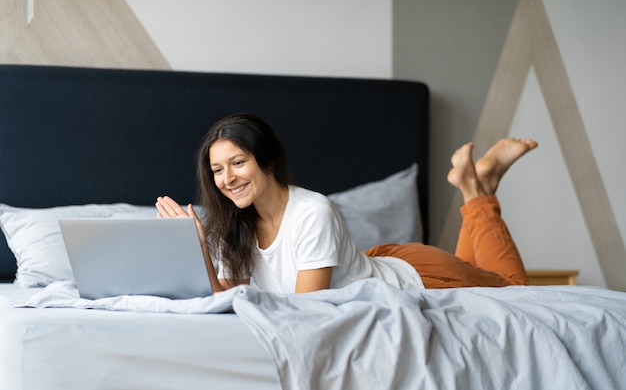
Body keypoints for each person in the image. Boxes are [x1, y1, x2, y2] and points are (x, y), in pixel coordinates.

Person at [156, 113, 538, 293]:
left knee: (515, 291)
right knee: (479, 271)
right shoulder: (232, 225)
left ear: (268, 161)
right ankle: (478, 185)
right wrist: (199, 246)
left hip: (418, 279)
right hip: (375, 262)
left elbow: (307, 310)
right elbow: (225, 301)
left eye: (238, 163)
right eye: (217, 170)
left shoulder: (311, 211)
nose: (227, 179)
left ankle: (478, 189)